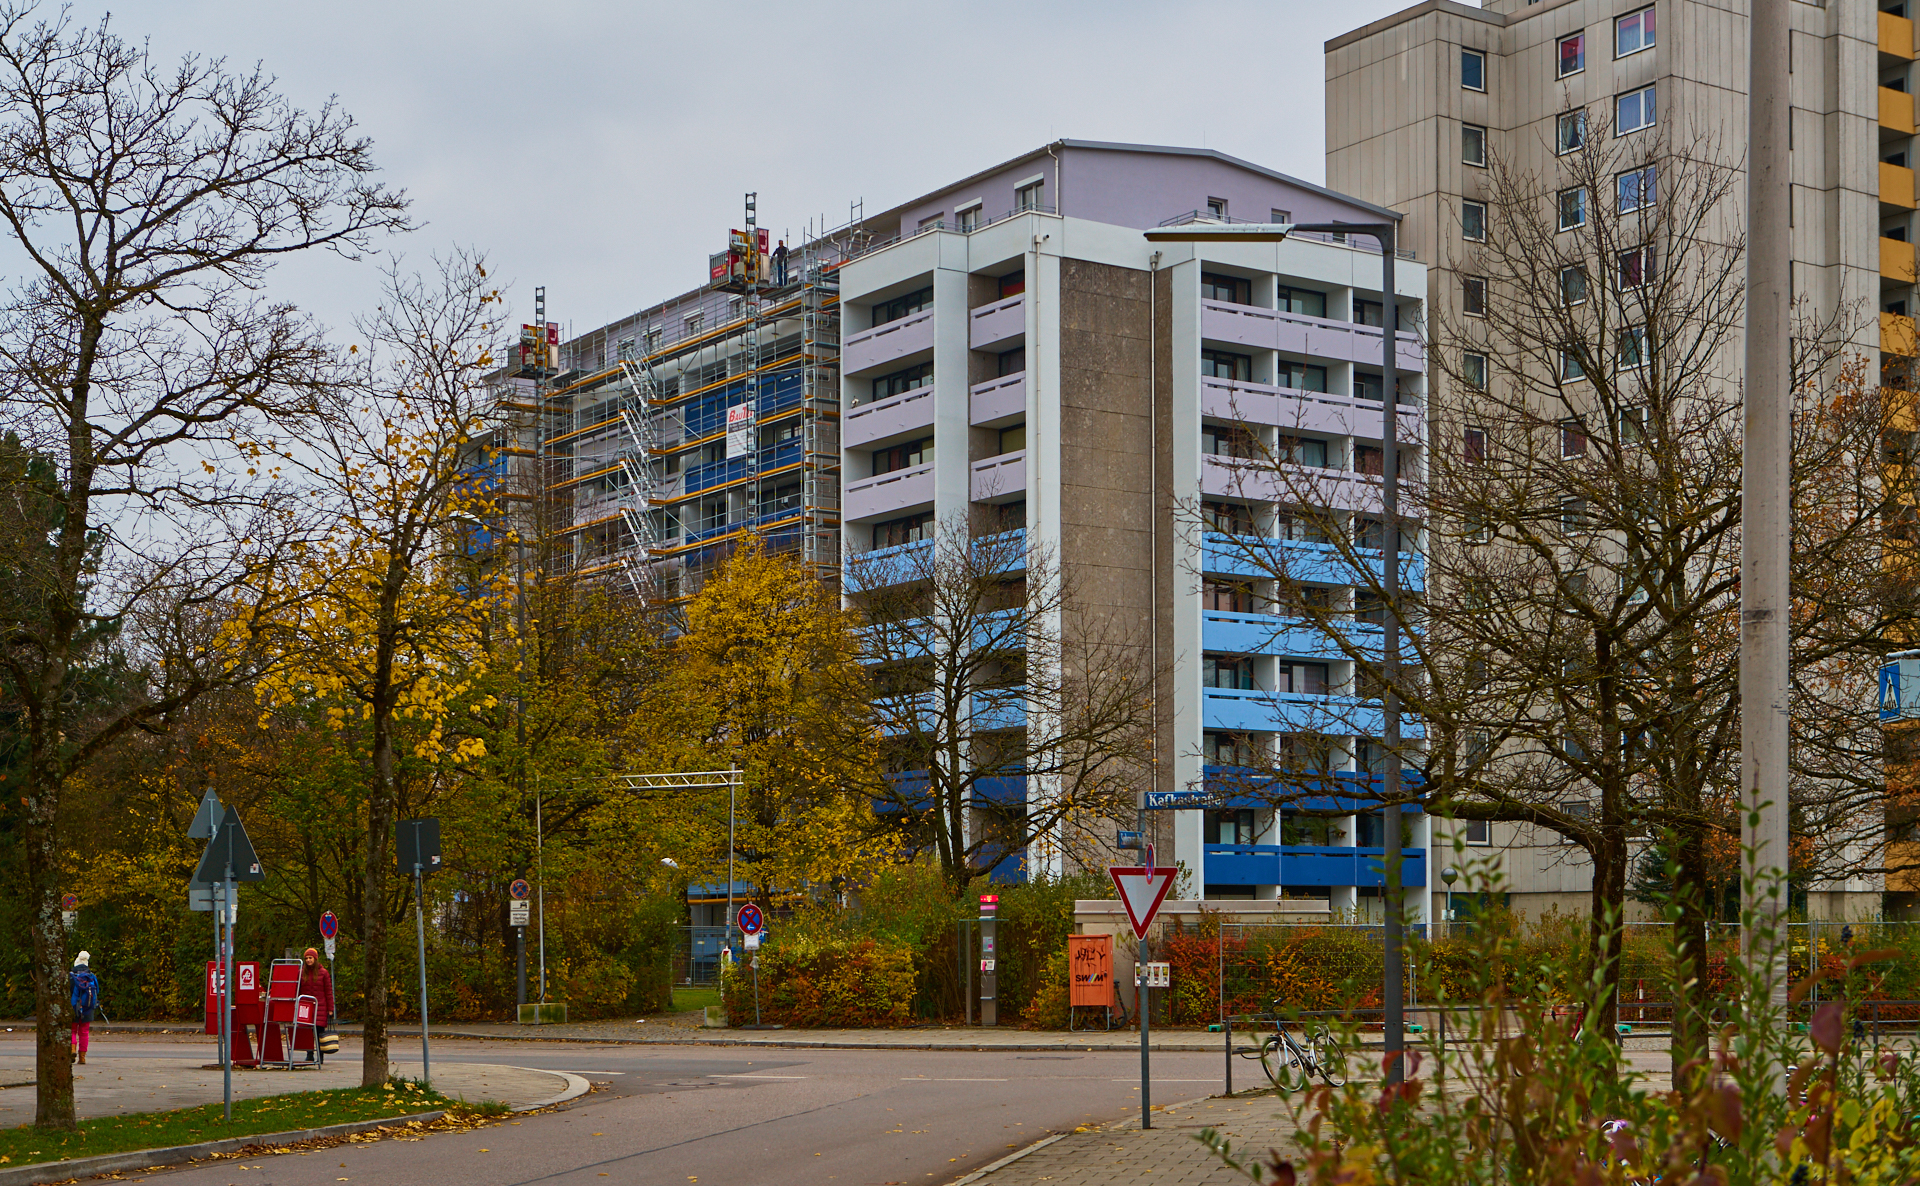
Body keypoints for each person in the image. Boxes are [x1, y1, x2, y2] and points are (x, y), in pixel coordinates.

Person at [298, 947, 334, 1064]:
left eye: (310, 958)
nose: (308, 960)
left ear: (315, 959)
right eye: (306, 958)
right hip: (306, 1007)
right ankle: (309, 1054)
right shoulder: (301, 973)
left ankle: (320, 1055)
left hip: (320, 1007)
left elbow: (328, 991)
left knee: (319, 1032)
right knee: (307, 1032)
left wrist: (330, 1009)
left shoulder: (323, 973)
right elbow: (297, 990)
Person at [69, 951, 99, 1066]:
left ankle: (72, 1050)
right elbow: (97, 991)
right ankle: (82, 1057)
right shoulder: (91, 976)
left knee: (72, 1030)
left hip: (73, 1007)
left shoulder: (71, 976)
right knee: (84, 1032)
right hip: (88, 1007)